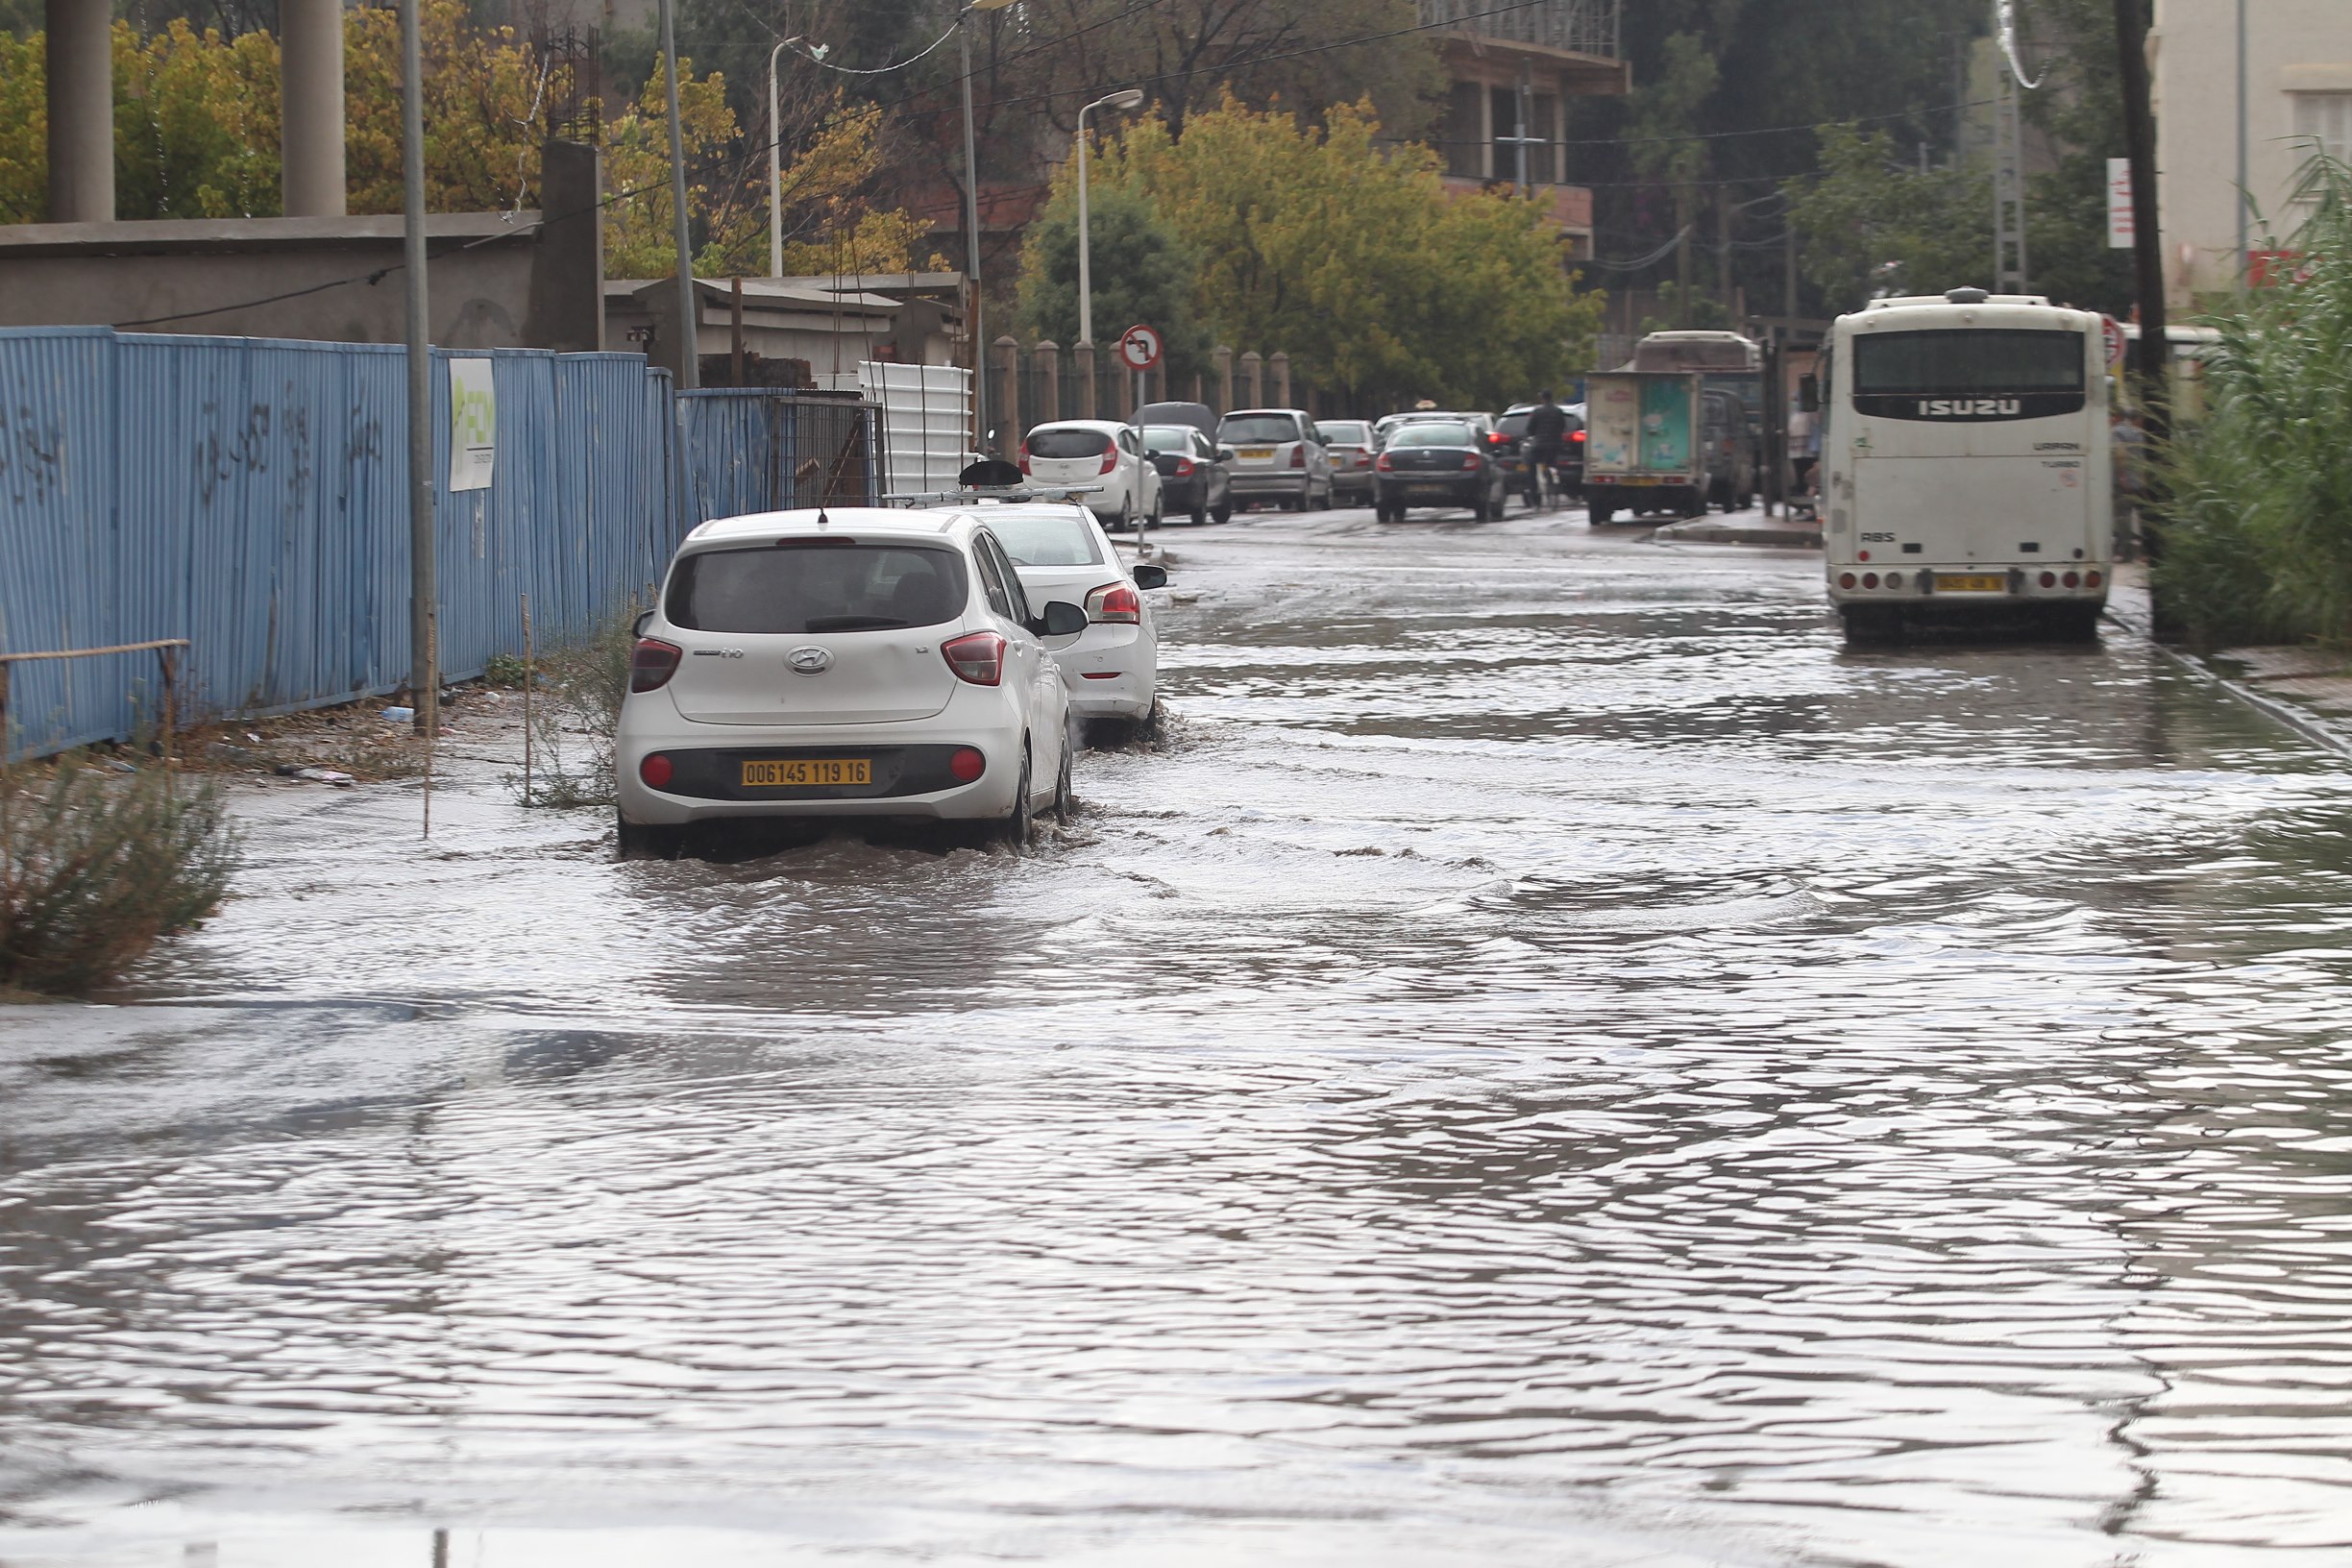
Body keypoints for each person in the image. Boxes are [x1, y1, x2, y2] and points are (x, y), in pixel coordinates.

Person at [2111, 406, 2148, 562]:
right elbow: (2142, 460)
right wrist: (2143, 480)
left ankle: (2124, 552)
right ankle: (2144, 552)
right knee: (2143, 517)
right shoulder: (2139, 434)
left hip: (2123, 482)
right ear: (2137, 419)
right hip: (2138, 482)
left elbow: (2119, 455)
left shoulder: (2117, 432)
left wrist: (2122, 478)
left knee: (2123, 517)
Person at [1523, 390, 1569, 503]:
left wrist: (1531, 434)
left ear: (1542, 398)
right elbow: (1563, 426)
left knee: (1532, 465)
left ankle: (1533, 491)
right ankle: (1554, 478)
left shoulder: (1538, 411)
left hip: (1540, 444)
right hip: (1556, 444)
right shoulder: (1558, 411)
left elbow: (1530, 428)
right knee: (1552, 463)